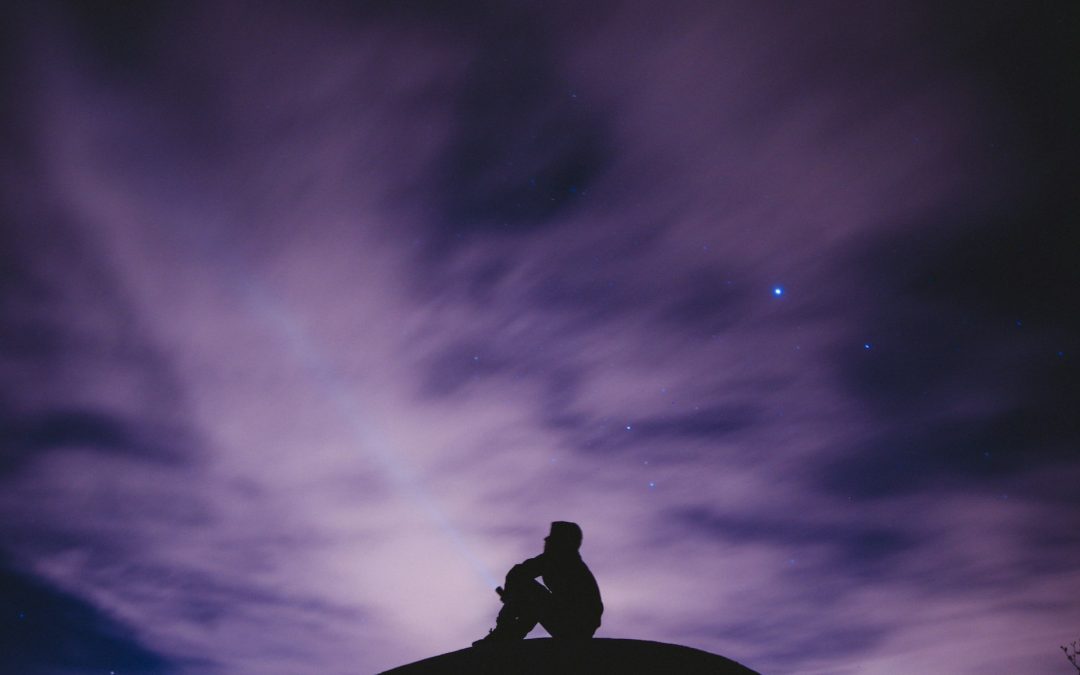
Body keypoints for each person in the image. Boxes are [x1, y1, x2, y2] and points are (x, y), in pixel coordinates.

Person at [473, 521, 603, 645]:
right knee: (530, 597)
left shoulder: (565, 562)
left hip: (576, 625)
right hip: (571, 621)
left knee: (529, 593)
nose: (546, 542)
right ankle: (507, 634)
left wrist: (511, 599)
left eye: (552, 540)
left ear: (562, 543)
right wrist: (512, 597)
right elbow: (518, 573)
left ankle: (505, 635)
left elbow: (519, 575)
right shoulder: (555, 560)